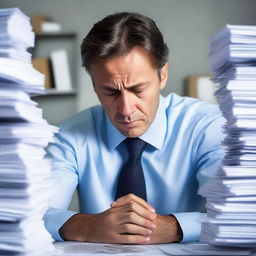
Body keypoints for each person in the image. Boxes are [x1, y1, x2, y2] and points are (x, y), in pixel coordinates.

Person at [44, 12, 224, 244]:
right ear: (95, 86)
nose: (127, 109)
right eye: (111, 92)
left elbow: (242, 215)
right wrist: (84, 225)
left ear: (163, 75)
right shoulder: (69, 135)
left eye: (138, 89)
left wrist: (176, 227)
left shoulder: (208, 127)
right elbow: (32, 215)